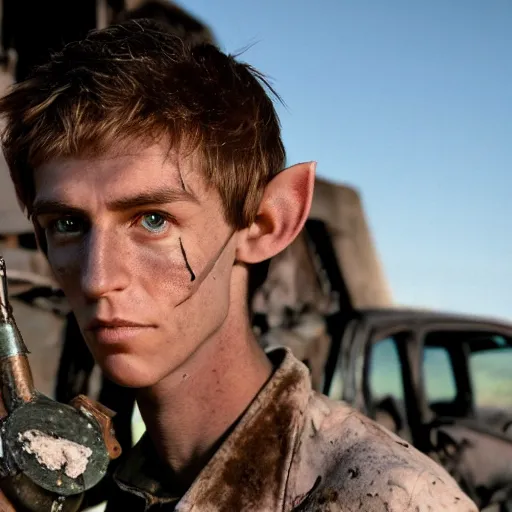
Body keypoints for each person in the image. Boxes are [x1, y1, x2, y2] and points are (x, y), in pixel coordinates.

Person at [0, 19, 478, 511]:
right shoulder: (127, 485)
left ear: (268, 222)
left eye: (153, 219)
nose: (98, 278)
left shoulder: (383, 498)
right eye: (68, 225)